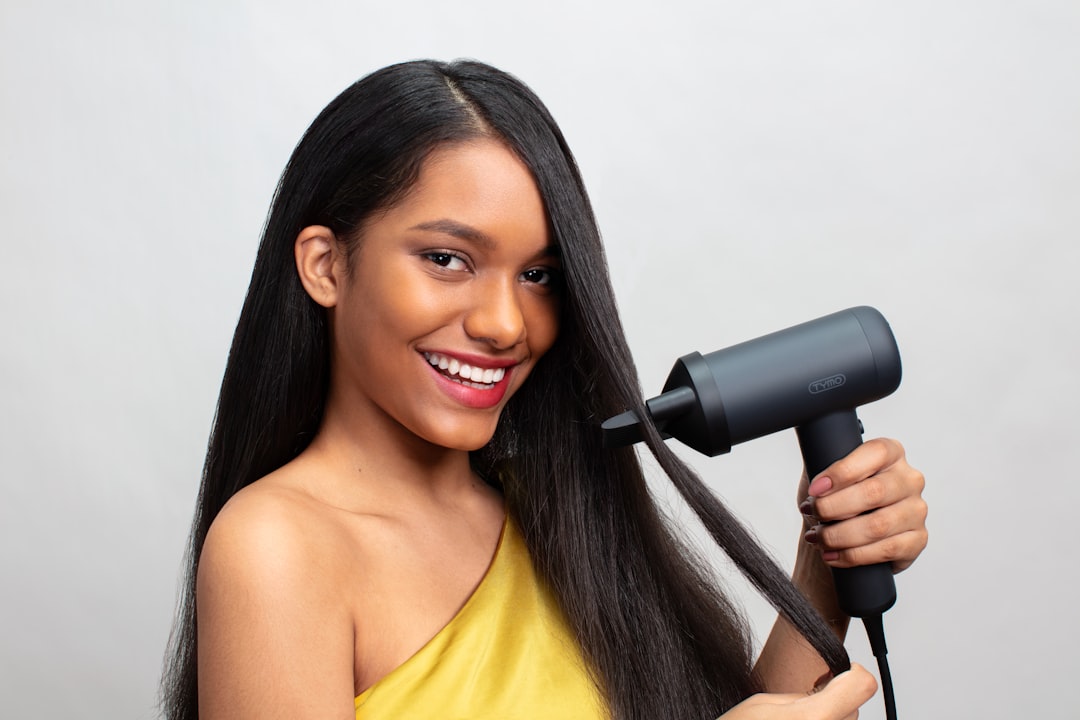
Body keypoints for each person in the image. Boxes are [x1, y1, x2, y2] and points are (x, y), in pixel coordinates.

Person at [161, 59, 928, 720]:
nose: (505, 324)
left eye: (538, 275)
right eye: (447, 259)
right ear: (326, 265)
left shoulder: (556, 512)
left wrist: (825, 572)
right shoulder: (278, 549)